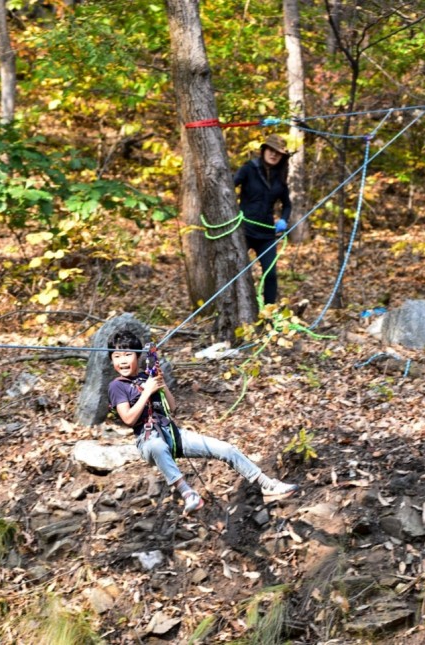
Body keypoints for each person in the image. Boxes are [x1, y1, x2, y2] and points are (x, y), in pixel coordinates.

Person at [106, 330, 299, 513]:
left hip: (172, 433)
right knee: (157, 446)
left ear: (138, 356)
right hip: (148, 439)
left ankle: (267, 484)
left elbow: (171, 408)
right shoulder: (117, 386)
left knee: (226, 449)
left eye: (127, 355)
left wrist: (161, 386)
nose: (122, 361)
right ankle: (187, 493)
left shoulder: (146, 377)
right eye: (116, 356)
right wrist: (146, 391)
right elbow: (129, 419)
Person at [234, 133, 292, 305]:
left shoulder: (280, 179)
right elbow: (230, 186)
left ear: (282, 157)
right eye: (271, 150)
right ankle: (236, 308)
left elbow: (287, 205)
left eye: (278, 152)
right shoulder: (248, 169)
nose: (274, 154)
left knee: (271, 274)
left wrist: (283, 220)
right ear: (264, 150)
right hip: (244, 230)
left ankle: (269, 313)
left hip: (266, 234)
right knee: (237, 271)